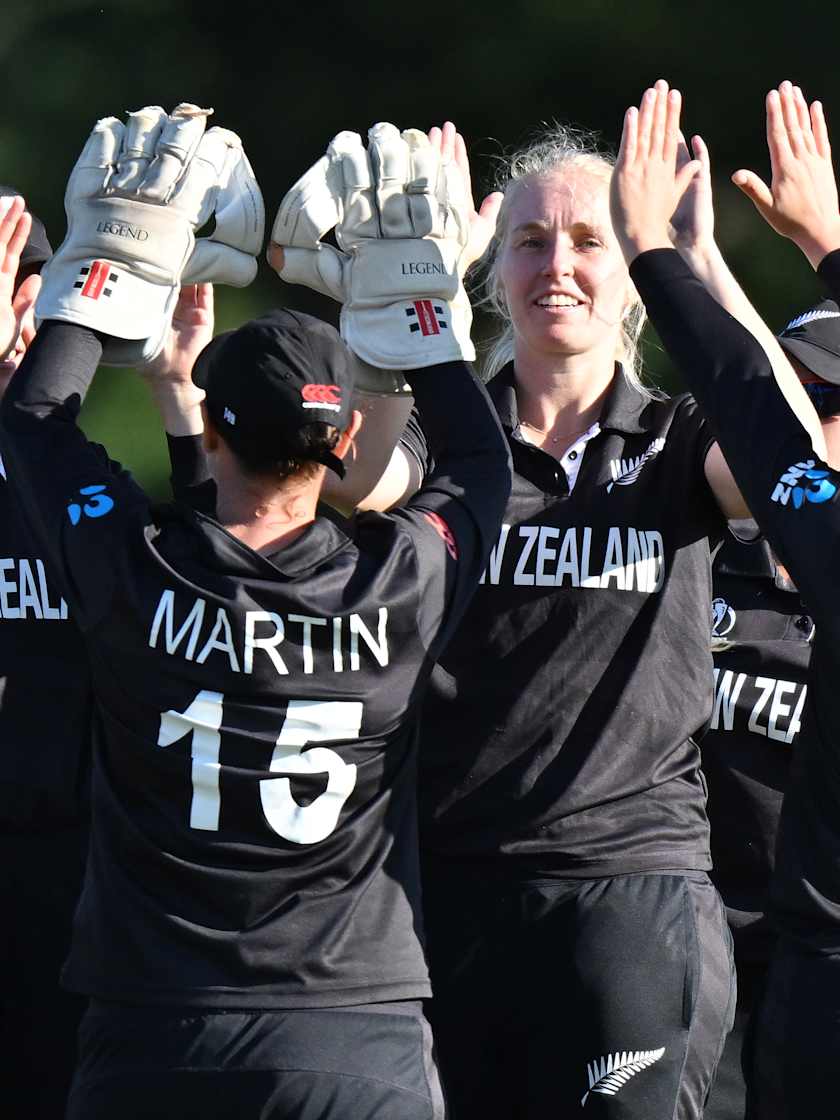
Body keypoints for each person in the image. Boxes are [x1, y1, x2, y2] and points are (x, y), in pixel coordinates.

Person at [303, 113, 822, 1116]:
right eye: (531, 241)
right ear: (494, 268)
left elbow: (791, 461)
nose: (558, 264)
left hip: (628, 894)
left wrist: (697, 257)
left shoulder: (675, 441)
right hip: (442, 886)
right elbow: (358, 476)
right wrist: (409, 292)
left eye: (592, 241)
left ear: (630, 271)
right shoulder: (462, 437)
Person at [0, 108, 510, 1119]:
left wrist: (108, 261)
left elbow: (34, 417)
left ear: (214, 436)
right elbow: (481, 461)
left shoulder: (138, 571)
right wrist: (420, 311)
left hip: (155, 1029)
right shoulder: (401, 576)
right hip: (350, 1036)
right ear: (342, 439)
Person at [609, 76, 840, 1120]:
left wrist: (655, 250)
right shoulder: (752, 545)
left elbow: (757, 407)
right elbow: (760, 402)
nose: (811, 420)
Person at [703, 308, 840, 1119]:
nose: (795, 418)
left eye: (819, 394)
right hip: (693, 954)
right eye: (783, 391)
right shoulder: (696, 552)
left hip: (816, 970)